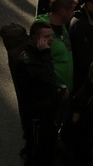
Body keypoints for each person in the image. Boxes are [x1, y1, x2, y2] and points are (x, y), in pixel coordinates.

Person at [14, 21, 65, 166]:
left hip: (47, 114)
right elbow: (47, 77)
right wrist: (46, 53)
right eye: (46, 36)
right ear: (37, 38)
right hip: (37, 117)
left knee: (49, 150)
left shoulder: (38, 56)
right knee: (37, 153)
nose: (50, 39)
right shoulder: (30, 59)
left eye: (51, 36)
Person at [35, 0, 78, 93]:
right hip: (52, 92)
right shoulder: (43, 30)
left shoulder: (62, 26)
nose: (74, 14)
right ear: (63, 11)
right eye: (72, 10)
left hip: (64, 91)